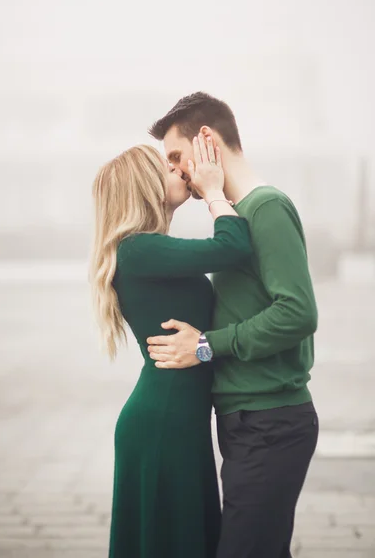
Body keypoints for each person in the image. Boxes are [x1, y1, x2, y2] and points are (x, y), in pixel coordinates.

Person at [147, 92, 319, 558]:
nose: (178, 170)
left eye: (178, 156)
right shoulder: (236, 216)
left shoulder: (265, 208)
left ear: (208, 140)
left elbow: (298, 313)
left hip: (272, 421)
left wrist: (204, 345)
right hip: (248, 420)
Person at [90, 140, 253, 558]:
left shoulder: (146, 251)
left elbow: (200, 343)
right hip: (164, 424)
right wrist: (214, 190)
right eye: (166, 169)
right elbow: (233, 247)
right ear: (145, 187)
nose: (179, 171)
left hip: (177, 419)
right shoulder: (139, 248)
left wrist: (204, 348)